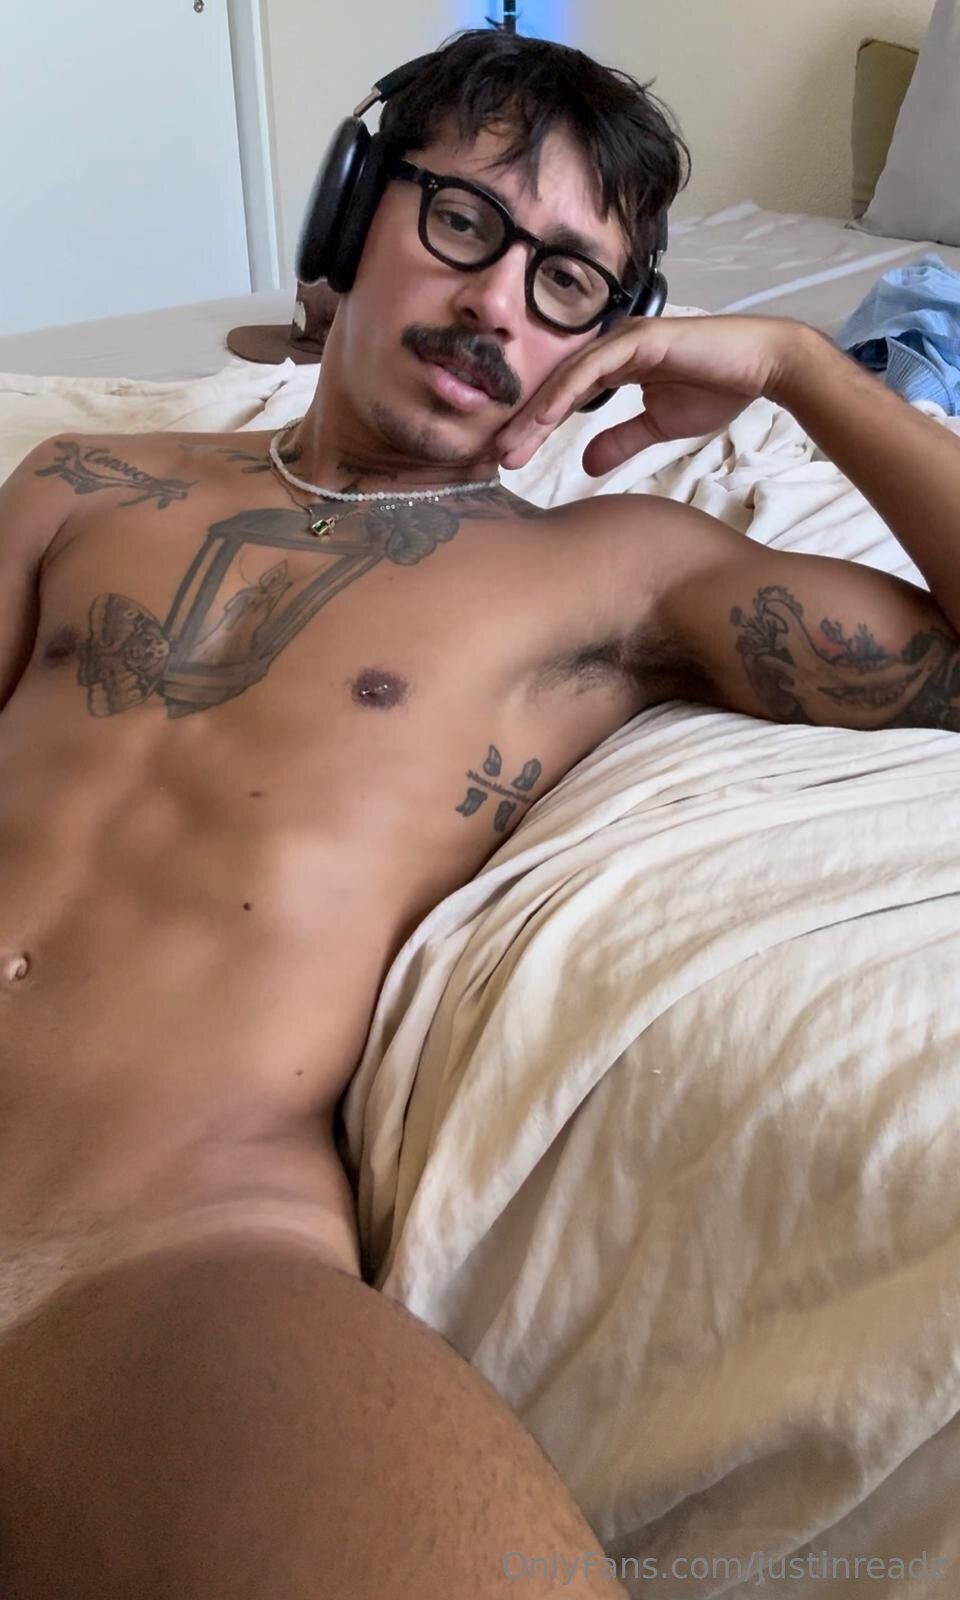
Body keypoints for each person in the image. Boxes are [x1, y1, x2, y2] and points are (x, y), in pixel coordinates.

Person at [1, 26, 958, 1600]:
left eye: (568, 280)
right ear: (353, 211)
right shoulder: (81, 480)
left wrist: (799, 371)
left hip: (156, 1264)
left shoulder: (612, 571)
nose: (500, 303)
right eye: (465, 222)